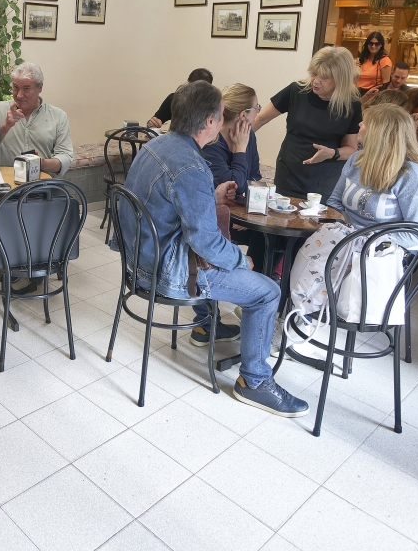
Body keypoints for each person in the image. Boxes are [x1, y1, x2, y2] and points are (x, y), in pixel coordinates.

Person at [115, 81, 308, 416]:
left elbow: (170, 202)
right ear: (209, 121)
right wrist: (241, 261)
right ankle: (255, 381)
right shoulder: (191, 165)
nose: (223, 120)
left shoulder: (156, 145)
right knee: (267, 291)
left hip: (138, 259)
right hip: (166, 272)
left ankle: (211, 328)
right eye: (221, 115)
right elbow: (204, 242)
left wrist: (211, 197)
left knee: (232, 259)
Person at [0, 62, 74, 243]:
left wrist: (44, 163)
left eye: (26, 89)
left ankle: (23, 253)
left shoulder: (58, 116)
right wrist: (6, 125)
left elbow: (65, 156)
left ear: (39, 88)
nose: (19, 94)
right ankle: (7, 251)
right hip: (2, 187)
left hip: (42, 185)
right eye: (15, 87)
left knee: (64, 217)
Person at [196, 83, 266, 346]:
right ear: (243, 115)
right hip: (215, 216)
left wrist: (249, 202)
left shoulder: (250, 137)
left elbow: (254, 178)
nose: (258, 112)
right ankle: (205, 324)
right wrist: (239, 151)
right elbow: (234, 185)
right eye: (256, 108)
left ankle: (253, 304)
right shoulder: (213, 144)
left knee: (267, 238)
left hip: (241, 212)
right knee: (207, 250)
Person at [253, 46, 362, 201]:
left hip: (325, 179)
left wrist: (331, 153)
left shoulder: (351, 105)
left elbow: (351, 149)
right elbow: (260, 119)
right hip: (289, 171)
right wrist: (236, 144)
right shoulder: (296, 91)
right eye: (314, 73)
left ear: (341, 78)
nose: (316, 81)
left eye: (324, 77)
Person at [327, 104, 418, 248]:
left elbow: (417, 234)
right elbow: (334, 201)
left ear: (378, 132)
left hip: (383, 250)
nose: (359, 124)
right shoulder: (356, 159)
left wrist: (362, 240)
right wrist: (344, 233)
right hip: (346, 240)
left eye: (365, 122)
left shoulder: (412, 175)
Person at [148, 68, 213, 128]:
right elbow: (152, 124)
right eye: (191, 89)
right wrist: (152, 123)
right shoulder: (174, 99)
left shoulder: (213, 106)